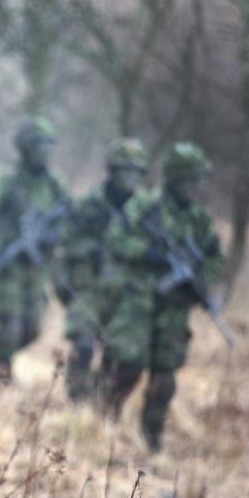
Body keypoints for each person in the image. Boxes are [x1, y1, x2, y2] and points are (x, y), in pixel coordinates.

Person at [100, 142, 223, 450]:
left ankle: (152, 439)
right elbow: (115, 239)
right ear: (175, 179)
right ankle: (102, 420)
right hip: (137, 300)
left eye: (200, 181)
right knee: (127, 366)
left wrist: (199, 282)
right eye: (190, 180)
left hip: (174, 308)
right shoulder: (144, 206)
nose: (197, 187)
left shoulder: (200, 220)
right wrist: (148, 254)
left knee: (164, 379)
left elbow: (215, 258)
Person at [0, 116, 68, 381]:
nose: (46, 151)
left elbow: (70, 220)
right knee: (11, 325)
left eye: (49, 145)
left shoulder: (55, 186)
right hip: (10, 267)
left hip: (37, 268)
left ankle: (1, 357)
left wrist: (52, 238)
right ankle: (2, 375)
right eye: (40, 145)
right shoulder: (8, 182)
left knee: (33, 328)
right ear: (27, 148)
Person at [56, 138, 147, 400]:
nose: (130, 178)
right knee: (82, 347)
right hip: (90, 289)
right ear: (112, 171)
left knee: (128, 359)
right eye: (124, 170)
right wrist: (91, 249)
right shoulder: (88, 205)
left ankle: (105, 405)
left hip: (129, 294)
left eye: (136, 172)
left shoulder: (146, 212)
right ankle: (79, 407)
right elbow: (65, 242)